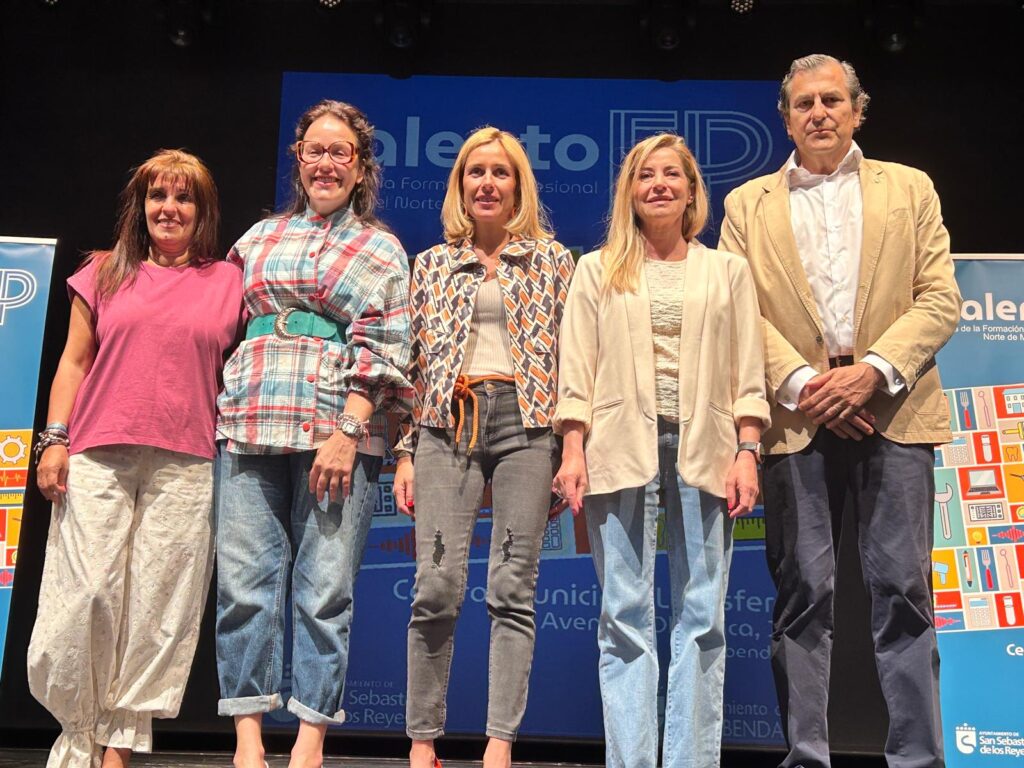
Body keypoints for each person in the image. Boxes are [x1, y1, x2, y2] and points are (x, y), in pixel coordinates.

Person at [718, 54, 960, 768]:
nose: (818, 113)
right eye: (803, 103)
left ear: (858, 110)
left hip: (896, 412)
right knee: (803, 595)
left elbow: (939, 297)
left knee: (904, 594)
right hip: (797, 418)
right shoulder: (746, 204)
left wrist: (872, 376)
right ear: (785, 118)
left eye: (831, 100)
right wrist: (805, 385)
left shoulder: (909, 189)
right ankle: (806, 758)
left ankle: (918, 759)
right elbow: (741, 311)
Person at [553, 133, 770, 768]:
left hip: (706, 446)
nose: (660, 185)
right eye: (646, 175)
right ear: (630, 191)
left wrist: (748, 448)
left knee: (703, 618)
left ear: (692, 190)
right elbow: (577, 372)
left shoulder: (727, 269)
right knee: (624, 617)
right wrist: (573, 449)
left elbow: (747, 370)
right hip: (619, 448)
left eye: (672, 174)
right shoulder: (596, 269)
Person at [27, 149, 243, 768]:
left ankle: (120, 745)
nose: (169, 208)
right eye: (158, 196)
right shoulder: (102, 271)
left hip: (189, 459)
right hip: (98, 452)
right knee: (87, 593)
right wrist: (55, 438)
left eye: (183, 198)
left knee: (159, 608)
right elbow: (73, 362)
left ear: (202, 211)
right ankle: (79, 733)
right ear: (140, 205)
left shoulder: (228, 281)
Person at [214, 100, 413, 768]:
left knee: (324, 592)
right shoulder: (258, 238)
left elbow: (387, 340)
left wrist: (350, 428)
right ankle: (247, 741)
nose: (326, 163)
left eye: (341, 153)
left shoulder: (380, 247)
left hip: (336, 431)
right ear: (298, 159)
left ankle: (308, 743)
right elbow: (210, 316)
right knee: (244, 587)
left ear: (360, 170)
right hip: (247, 424)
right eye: (315, 150)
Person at [391, 126, 574, 768]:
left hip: (527, 426)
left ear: (518, 185)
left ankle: (499, 744)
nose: (487, 183)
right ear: (460, 185)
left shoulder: (552, 260)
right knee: (436, 584)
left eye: (501, 172)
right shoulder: (432, 263)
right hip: (448, 424)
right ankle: (422, 743)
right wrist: (407, 450)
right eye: (476, 172)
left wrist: (569, 449)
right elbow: (415, 363)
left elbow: (573, 357)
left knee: (512, 586)